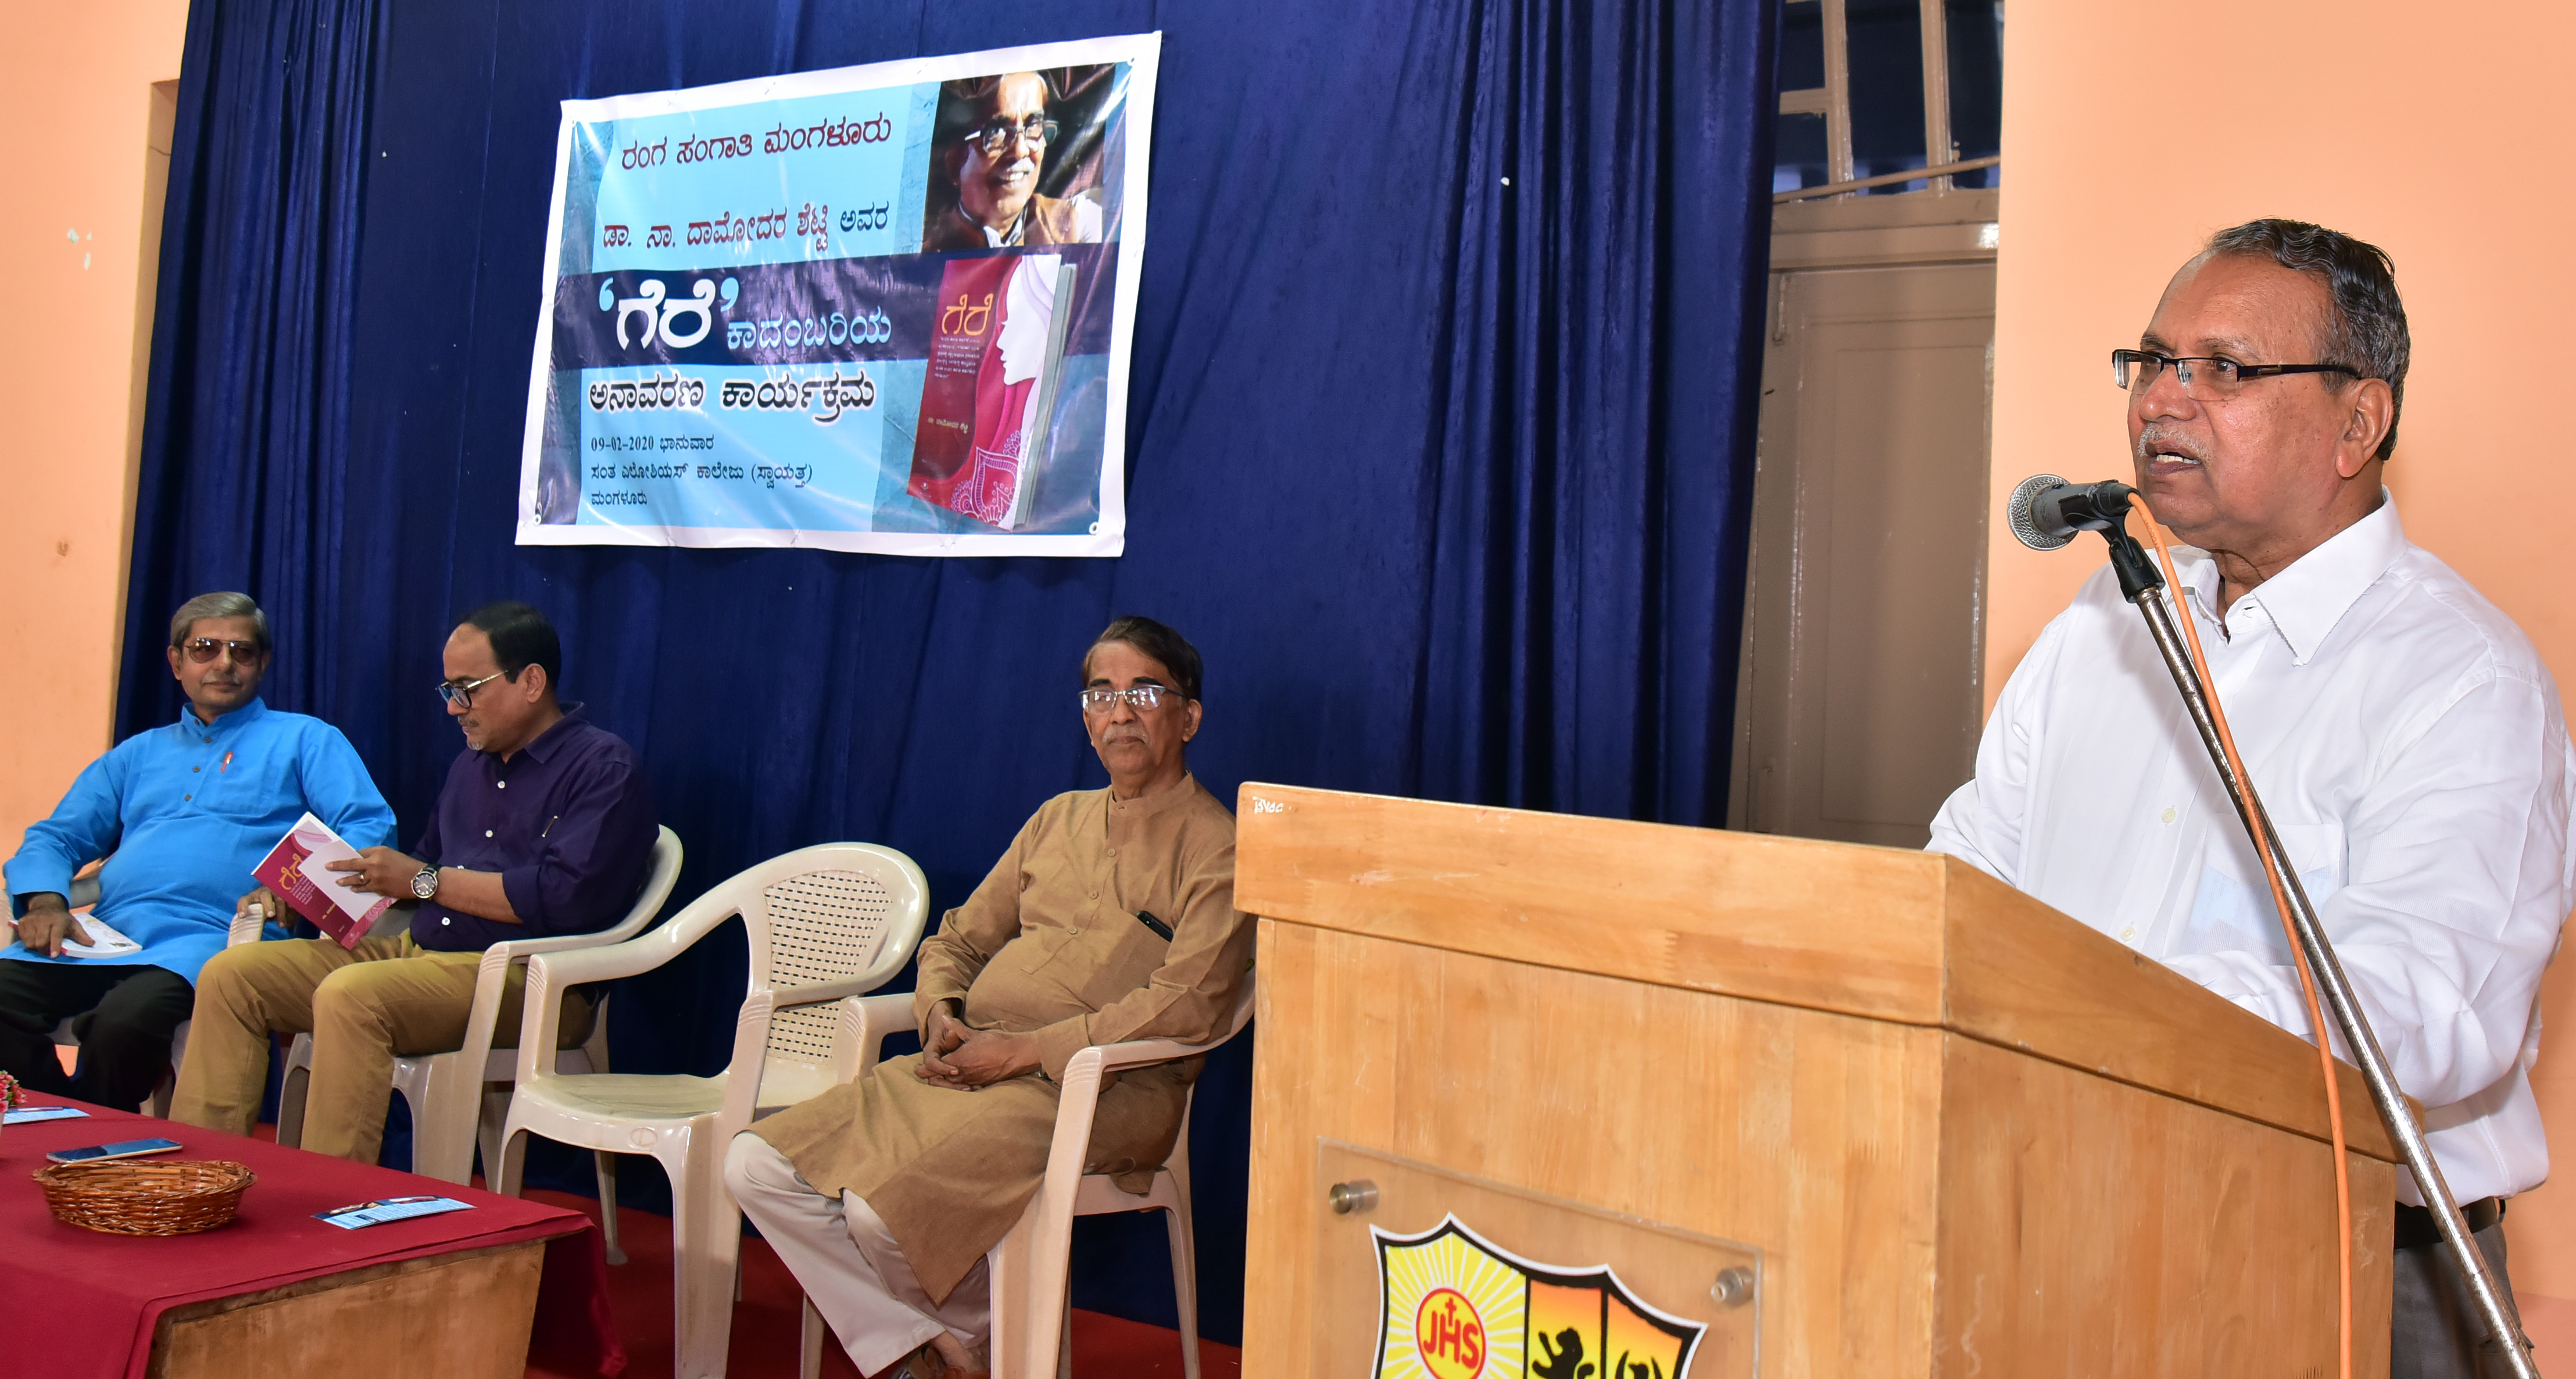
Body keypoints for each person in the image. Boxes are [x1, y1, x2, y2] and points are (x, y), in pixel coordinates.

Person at [1928, 219, 2570, 1377]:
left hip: (2350, 1261)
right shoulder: (2103, 623)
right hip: (2057, 1213)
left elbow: (2420, 1011)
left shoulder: (2461, 678)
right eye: (2150, 361)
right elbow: (1961, 887)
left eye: (2222, 369)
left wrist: (2094, 1009)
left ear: (2356, 423)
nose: (2159, 400)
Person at [727, 616, 1251, 1379]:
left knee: (880, 1214)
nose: (1119, 713)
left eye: (1144, 692)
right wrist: (940, 1013)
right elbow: (957, 940)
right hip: (968, 1066)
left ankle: (959, 1346)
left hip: (1101, 1087)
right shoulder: (1056, 819)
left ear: (1189, 716)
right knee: (755, 1166)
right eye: (1100, 695)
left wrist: (1028, 1051)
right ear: (1085, 719)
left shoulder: (1219, 848)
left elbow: (1191, 1002)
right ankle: (943, 1347)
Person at [170, 601, 657, 1164]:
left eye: (467, 689)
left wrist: (424, 881)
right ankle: (200, 1177)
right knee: (232, 975)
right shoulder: (471, 765)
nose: (453, 708)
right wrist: (319, 885)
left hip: (528, 977)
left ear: (530, 682)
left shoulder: (602, 766)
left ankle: (334, 1196)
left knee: (352, 995)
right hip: (417, 952)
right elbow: (424, 865)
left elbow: (564, 898)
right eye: (448, 689)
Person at [0, 592, 394, 1111]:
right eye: (206, 648)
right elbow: (58, 836)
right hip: (108, 936)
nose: (224, 663)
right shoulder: (138, 753)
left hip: (213, 942)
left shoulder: (305, 739)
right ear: (176, 661)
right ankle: (56, 1119)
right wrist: (47, 903)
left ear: (263, 663)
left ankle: (92, 1135)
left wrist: (294, 886)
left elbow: (368, 828)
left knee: (123, 1024)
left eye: (242, 651)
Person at [921, 72, 1105, 252]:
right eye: (997, 132)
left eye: (1032, 126)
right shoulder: (924, 251)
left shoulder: (1072, 224)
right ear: (954, 161)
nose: (1020, 151)